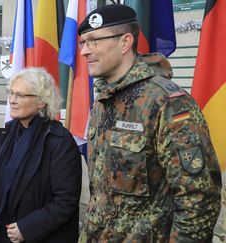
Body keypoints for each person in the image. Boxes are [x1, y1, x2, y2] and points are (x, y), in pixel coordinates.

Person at [77, 4, 221, 242]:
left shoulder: (167, 103)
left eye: (94, 41)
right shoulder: (102, 101)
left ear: (125, 42)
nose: (84, 51)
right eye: (83, 42)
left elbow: (198, 199)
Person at [0, 68, 82, 243]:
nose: (12, 100)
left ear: (41, 101)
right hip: (2, 235)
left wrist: (26, 229)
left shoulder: (59, 140)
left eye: (20, 95)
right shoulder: (8, 132)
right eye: (11, 93)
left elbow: (66, 201)